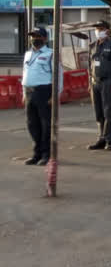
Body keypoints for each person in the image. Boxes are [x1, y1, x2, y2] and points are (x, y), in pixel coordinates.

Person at [21, 27, 61, 166]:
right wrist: (23, 93)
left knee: (45, 125)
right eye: (32, 36)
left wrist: (55, 95)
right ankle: (36, 153)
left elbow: (58, 75)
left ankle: (46, 154)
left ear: (44, 38)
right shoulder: (27, 54)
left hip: (44, 91)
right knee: (32, 124)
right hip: (29, 91)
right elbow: (25, 73)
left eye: (37, 36)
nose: (34, 39)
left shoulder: (51, 54)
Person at [88, 20, 111, 151]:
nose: (98, 31)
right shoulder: (92, 46)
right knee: (98, 112)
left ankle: (109, 140)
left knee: (108, 112)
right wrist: (90, 83)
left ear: (107, 30)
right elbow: (90, 66)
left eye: (100, 28)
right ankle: (101, 137)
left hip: (108, 82)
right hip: (96, 82)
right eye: (96, 29)